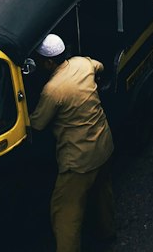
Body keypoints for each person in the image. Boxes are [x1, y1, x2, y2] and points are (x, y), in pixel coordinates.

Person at [29, 35, 115, 252]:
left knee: (65, 212)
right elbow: (100, 67)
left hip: (78, 160)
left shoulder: (53, 90)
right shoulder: (82, 63)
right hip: (103, 144)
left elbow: (37, 124)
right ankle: (107, 232)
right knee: (102, 191)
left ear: (49, 62)